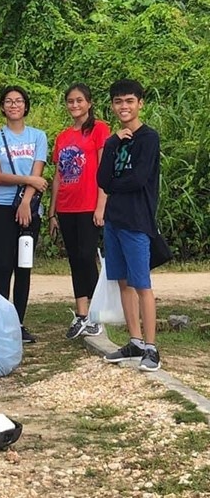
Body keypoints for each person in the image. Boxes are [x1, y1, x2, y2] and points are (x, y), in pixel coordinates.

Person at [98, 79, 161, 372]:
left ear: (140, 103)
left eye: (129, 101)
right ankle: (134, 341)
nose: (124, 107)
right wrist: (112, 145)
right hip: (114, 219)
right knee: (123, 282)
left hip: (137, 220)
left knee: (141, 284)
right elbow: (102, 181)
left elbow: (138, 179)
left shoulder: (148, 138)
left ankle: (151, 347)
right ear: (112, 105)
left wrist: (115, 183)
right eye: (118, 102)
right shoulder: (113, 141)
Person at [0, 86, 48, 344]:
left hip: (30, 210)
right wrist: (27, 179)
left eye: (18, 101)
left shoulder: (38, 136)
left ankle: (19, 323)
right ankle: (2, 323)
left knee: (24, 267)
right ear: (1, 106)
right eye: (8, 101)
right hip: (1, 207)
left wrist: (26, 201)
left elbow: (39, 173)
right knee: (2, 266)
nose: (13, 105)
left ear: (26, 106)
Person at [49, 83, 110, 340]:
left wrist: (101, 205)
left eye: (79, 101)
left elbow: (104, 170)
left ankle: (97, 316)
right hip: (66, 206)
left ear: (89, 102)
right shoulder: (63, 137)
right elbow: (57, 177)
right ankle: (82, 314)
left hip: (88, 205)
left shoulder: (99, 129)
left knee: (87, 256)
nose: (75, 105)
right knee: (75, 259)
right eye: (70, 101)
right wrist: (52, 212)